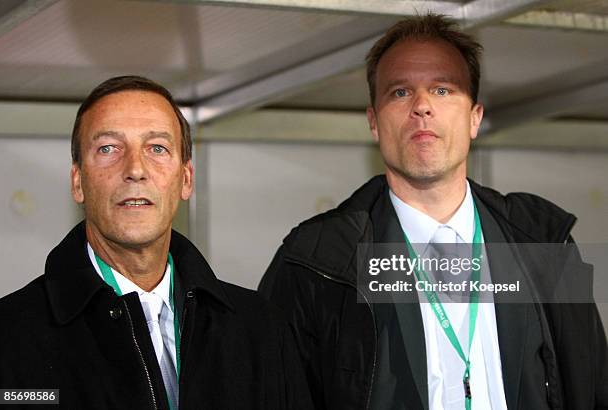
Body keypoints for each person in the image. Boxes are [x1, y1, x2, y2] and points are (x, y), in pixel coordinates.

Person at [259, 14, 608, 410]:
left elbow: (591, 387)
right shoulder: (315, 261)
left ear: (475, 118)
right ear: (374, 122)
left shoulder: (545, 243)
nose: (422, 106)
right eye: (400, 92)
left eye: (443, 90)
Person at [0, 76, 311, 410]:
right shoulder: (7, 339)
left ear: (186, 179)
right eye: (108, 148)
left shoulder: (261, 330)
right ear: (78, 182)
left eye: (157, 148)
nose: (135, 169)